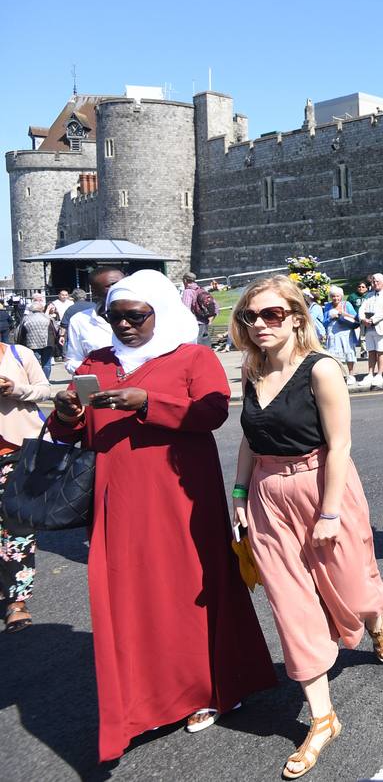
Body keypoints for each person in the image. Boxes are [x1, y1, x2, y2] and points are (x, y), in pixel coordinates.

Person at [49, 270, 277, 761]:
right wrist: (68, 412)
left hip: (179, 499)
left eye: (136, 316)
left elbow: (213, 412)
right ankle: (141, 703)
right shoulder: (97, 362)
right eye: (116, 317)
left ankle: (209, 689)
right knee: (127, 600)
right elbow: (70, 429)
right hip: (115, 505)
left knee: (188, 592)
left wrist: (149, 402)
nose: (125, 326)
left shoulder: (192, 356)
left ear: (161, 311)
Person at [230, 275, 383, 779]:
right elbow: (249, 437)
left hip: (322, 485)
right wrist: (238, 493)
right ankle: (322, 717)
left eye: (272, 314)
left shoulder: (321, 370)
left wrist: (328, 513)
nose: (259, 324)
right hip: (266, 495)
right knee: (291, 602)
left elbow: (339, 446)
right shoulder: (252, 370)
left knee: (350, 586)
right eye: (250, 316)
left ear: (297, 318)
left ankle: (375, 620)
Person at [0, 337, 52, 631]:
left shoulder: (20, 354)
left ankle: (16, 601)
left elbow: (44, 390)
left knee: (17, 526)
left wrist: (14, 389)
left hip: (17, 451)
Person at [64, 267, 126, 374]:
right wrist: (100, 372)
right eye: (111, 285)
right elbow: (73, 361)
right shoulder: (80, 320)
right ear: (95, 292)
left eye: (124, 283)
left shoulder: (149, 316)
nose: (120, 288)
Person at [358, 273, 383, 390]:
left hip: (381, 327)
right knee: (371, 352)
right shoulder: (369, 295)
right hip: (369, 328)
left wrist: (373, 320)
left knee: (380, 352)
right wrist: (363, 319)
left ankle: (379, 374)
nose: (374, 284)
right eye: (373, 282)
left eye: (377, 282)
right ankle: (370, 374)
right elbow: (361, 308)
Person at [323, 285, 360, 386]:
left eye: (338, 296)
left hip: (346, 333)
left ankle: (351, 375)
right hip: (333, 334)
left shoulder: (346, 304)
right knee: (334, 356)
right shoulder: (327, 306)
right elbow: (324, 322)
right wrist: (331, 318)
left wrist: (343, 314)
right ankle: (339, 376)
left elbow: (356, 318)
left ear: (341, 296)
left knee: (349, 353)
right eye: (333, 296)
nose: (336, 298)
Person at [16, 301, 55, 378]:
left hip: (32, 344)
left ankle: (36, 380)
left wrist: (20, 342)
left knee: (35, 363)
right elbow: (54, 330)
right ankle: (46, 380)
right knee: (46, 363)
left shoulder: (26, 318)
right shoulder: (47, 317)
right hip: (47, 342)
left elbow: (20, 332)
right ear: (42, 309)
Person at [181, 271, 217, 344]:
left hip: (195, 323)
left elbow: (186, 310)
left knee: (196, 345)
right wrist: (211, 319)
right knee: (206, 345)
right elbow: (215, 305)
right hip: (205, 321)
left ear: (185, 280)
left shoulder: (188, 292)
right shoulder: (201, 289)